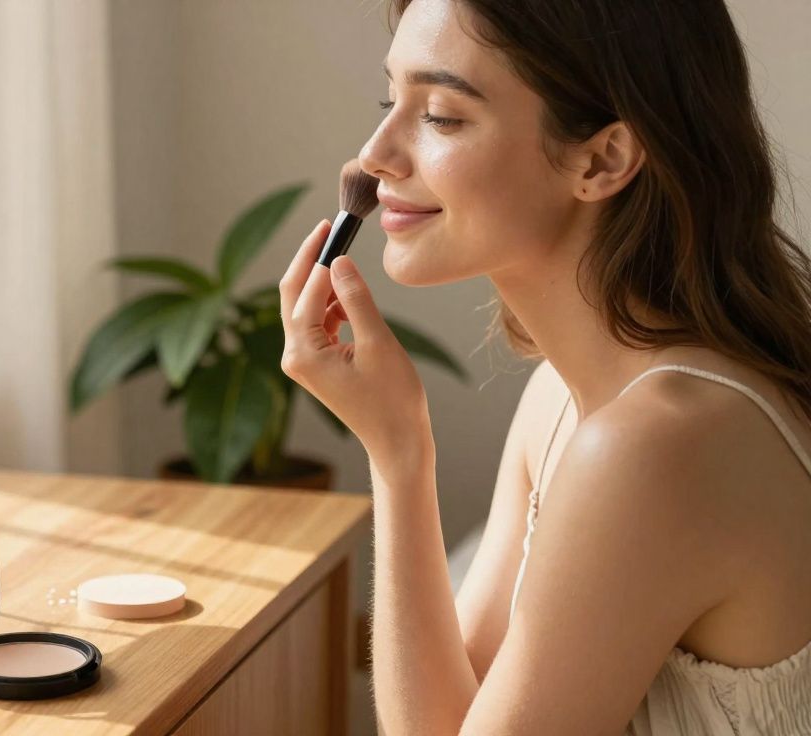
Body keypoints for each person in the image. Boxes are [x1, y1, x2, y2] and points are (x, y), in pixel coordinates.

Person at [278, 0, 811, 732]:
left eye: (440, 116)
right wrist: (399, 451)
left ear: (602, 159)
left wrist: (399, 452)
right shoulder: (560, 397)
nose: (374, 155)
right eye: (388, 98)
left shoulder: (657, 444)